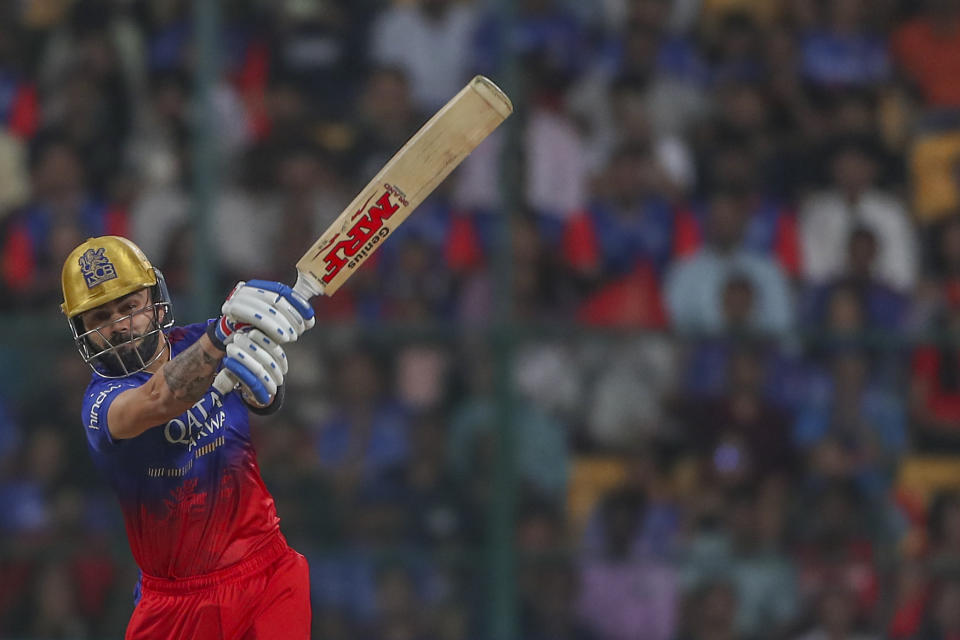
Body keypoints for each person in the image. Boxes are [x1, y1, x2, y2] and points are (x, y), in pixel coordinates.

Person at [59, 235, 316, 639]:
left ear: (154, 301)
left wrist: (265, 389)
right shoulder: (101, 403)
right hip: (175, 604)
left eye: (129, 307)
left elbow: (263, 397)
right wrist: (224, 333)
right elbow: (160, 398)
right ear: (82, 331)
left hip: (266, 570)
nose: (121, 326)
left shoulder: (208, 340)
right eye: (100, 318)